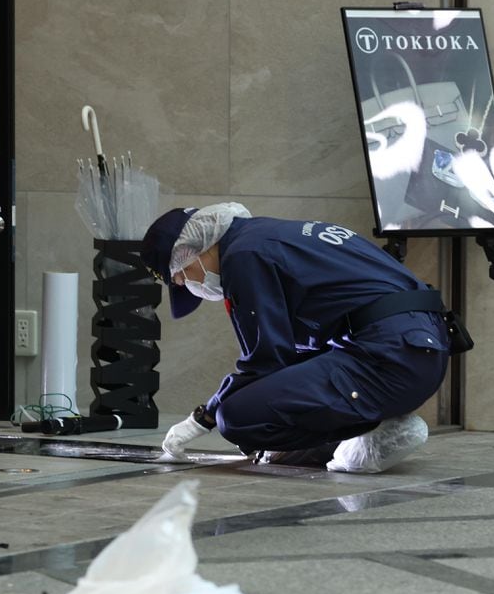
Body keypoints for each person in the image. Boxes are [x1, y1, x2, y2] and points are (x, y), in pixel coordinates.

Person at [140, 202, 465, 473]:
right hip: (420, 351)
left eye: (180, 275)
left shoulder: (243, 256)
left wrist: (205, 417)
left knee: (238, 419)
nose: (184, 284)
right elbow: (294, 351)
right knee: (272, 393)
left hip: (389, 360)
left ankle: (374, 432)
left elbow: (265, 361)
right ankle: (368, 424)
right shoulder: (275, 236)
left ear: (192, 251)